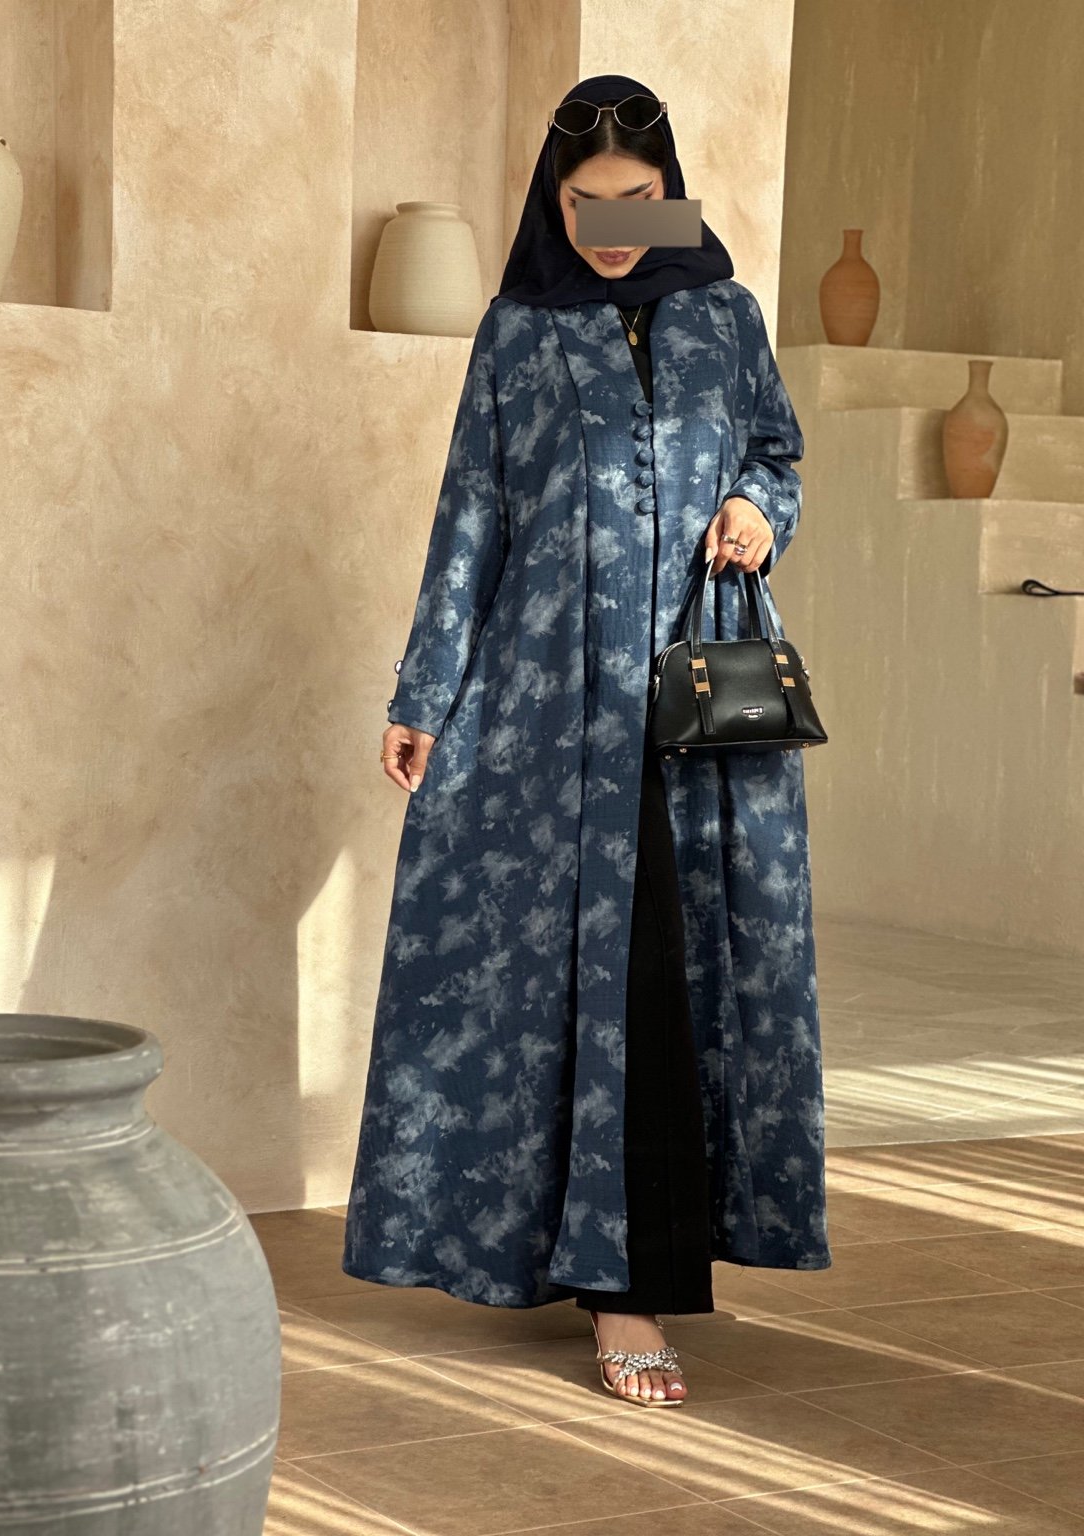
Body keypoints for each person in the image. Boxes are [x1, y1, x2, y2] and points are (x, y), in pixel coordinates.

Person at [342, 71, 831, 1409]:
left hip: (698, 706)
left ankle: (644, 1275)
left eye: (636, 199)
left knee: (678, 976)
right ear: (551, 204)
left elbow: (779, 452)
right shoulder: (518, 330)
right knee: (577, 981)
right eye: (584, 204)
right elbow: (471, 521)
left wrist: (760, 508)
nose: (612, 229)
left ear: (669, 193)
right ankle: (613, 1291)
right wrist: (424, 693)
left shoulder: (724, 313)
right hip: (547, 710)